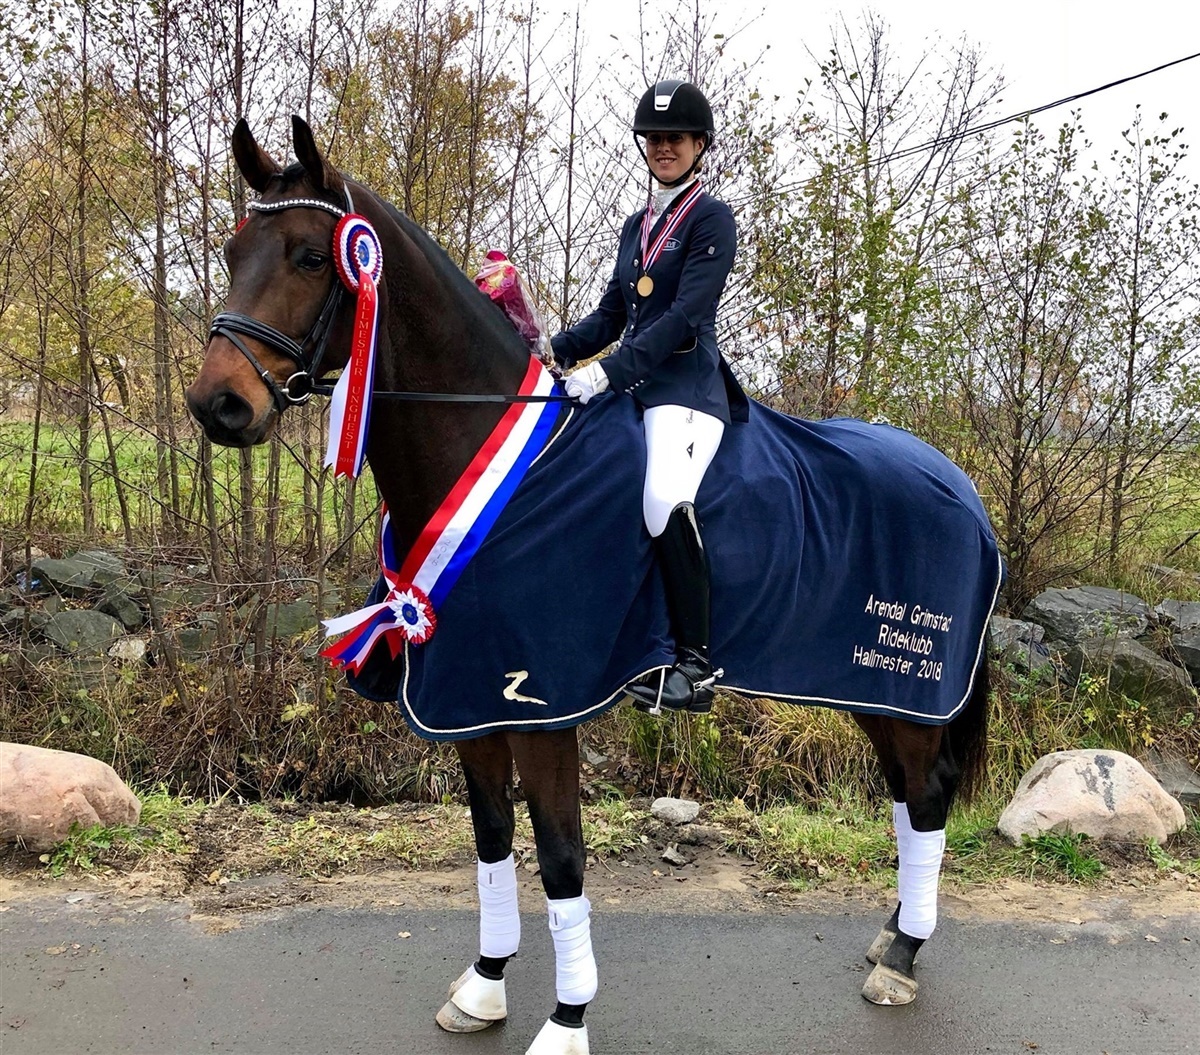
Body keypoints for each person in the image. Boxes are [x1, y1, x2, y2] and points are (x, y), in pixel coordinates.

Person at [551, 79, 748, 714]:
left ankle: (696, 666)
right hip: (634, 386)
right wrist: (556, 349)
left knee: (664, 494)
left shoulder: (711, 219)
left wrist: (607, 373)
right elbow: (613, 313)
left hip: (685, 389)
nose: (664, 147)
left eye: (676, 138)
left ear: (699, 144)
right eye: (655, 138)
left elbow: (684, 316)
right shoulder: (636, 227)